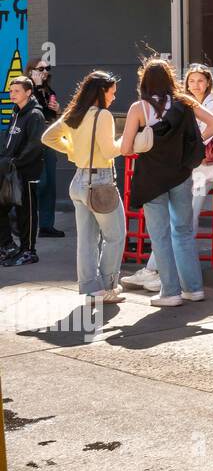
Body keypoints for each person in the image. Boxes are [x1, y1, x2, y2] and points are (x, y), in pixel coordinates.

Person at [122, 57, 213, 306]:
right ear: (170, 79)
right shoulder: (184, 102)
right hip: (181, 174)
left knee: (160, 236)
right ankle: (194, 289)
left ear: (144, 81)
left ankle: (170, 292)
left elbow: (125, 149)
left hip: (152, 177)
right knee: (184, 232)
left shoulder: (139, 108)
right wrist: (191, 142)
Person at [40, 71, 126, 299]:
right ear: (101, 91)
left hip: (78, 181)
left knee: (87, 241)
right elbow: (109, 151)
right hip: (101, 181)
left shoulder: (74, 114)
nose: (114, 97)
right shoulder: (103, 116)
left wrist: (72, 150)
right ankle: (108, 287)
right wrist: (125, 141)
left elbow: (48, 137)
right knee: (116, 236)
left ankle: (91, 289)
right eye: (112, 93)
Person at [0, 77, 48, 267]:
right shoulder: (16, 113)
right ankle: (7, 246)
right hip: (9, 171)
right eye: (11, 91)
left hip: (26, 172)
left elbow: (36, 145)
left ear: (28, 92)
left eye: (17, 91)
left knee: (25, 212)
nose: (12, 94)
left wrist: (15, 162)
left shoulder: (35, 115)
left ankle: (28, 250)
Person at [184, 63, 213, 235]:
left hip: (205, 170)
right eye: (192, 81)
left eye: (200, 81)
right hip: (192, 167)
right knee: (184, 213)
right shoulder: (190, 104)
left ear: (208, 83)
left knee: (191, 212)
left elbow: (204, 135)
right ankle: (164, 259)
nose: (196, 85)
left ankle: (182, 256)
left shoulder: (212, 105)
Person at [27, 59, 64, 238]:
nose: (45, 72)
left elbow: (49, 115)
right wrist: (36, 86)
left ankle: (46, 225)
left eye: (47, 69)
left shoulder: (49, 91)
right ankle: (21, 220)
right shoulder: (26, 90)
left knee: (50, 183)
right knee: (38, 183)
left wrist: (58, 110)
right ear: (31, 72)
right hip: (33, 141)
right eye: (41, 68)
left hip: (48, 140)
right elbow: (32, 111)